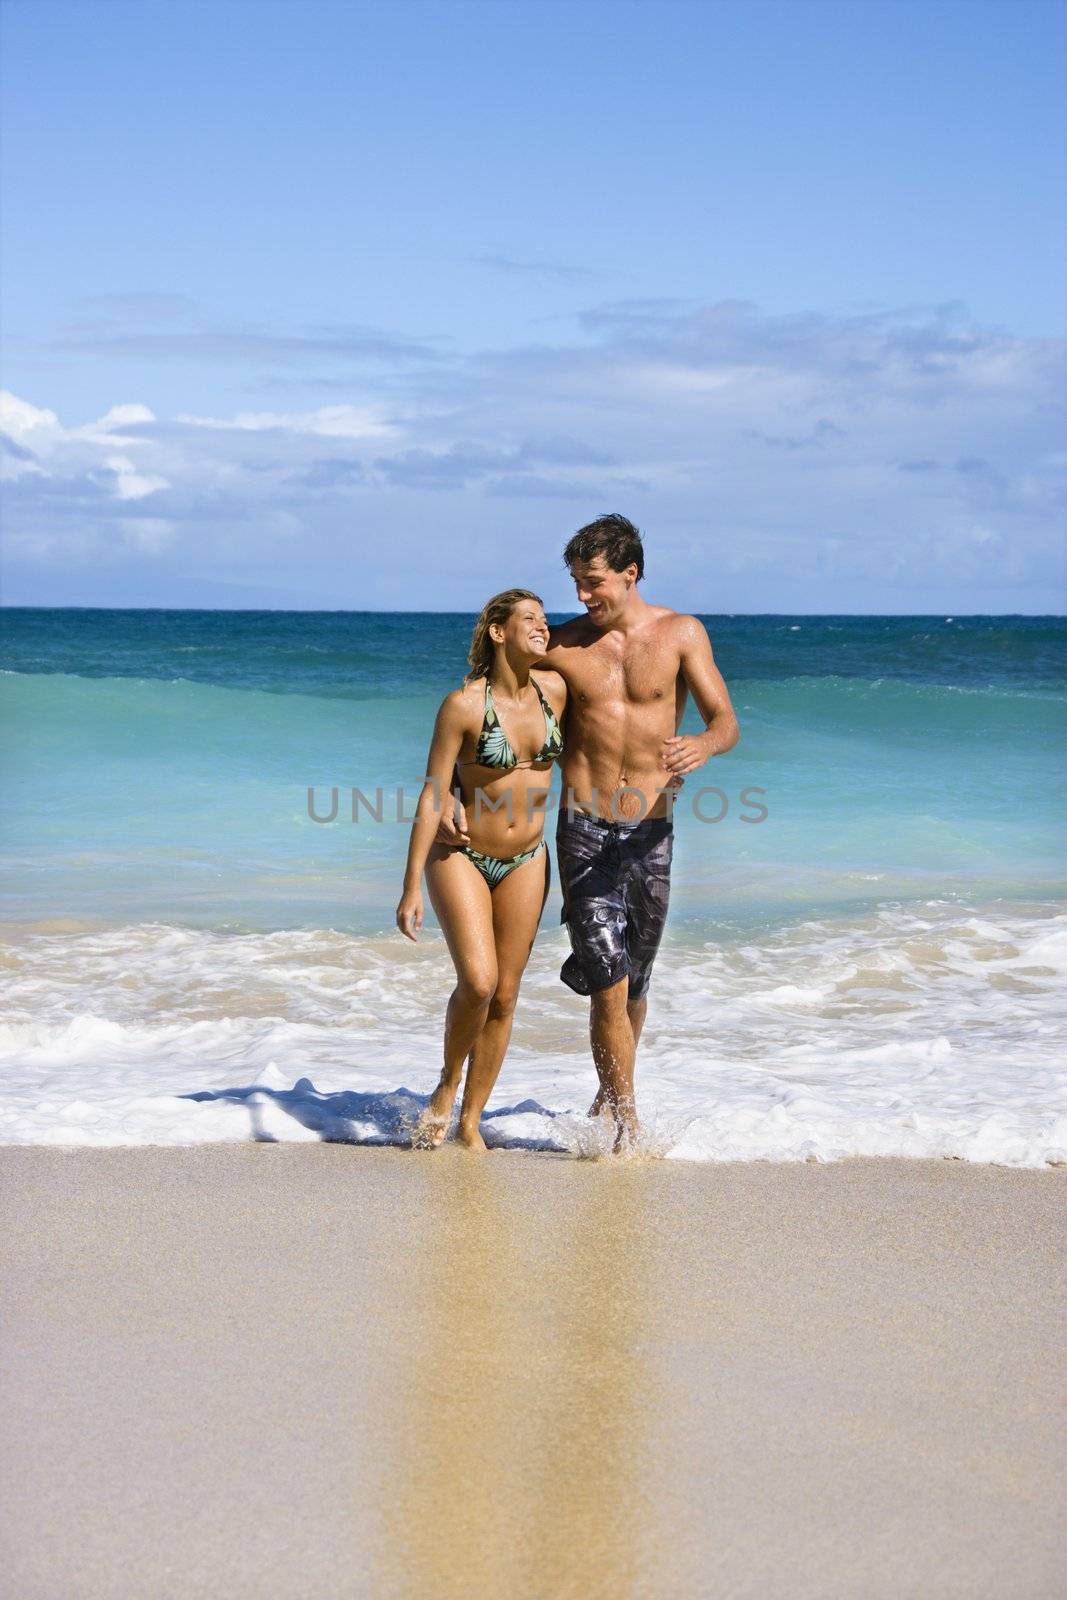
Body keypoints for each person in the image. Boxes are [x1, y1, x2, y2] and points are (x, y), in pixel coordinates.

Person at [437, 515, 740, 1151]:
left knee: (635, 985)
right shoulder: (565, 646)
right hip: (583, 832)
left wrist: (702, 748)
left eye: (594, 582)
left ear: (631, 573)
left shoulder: (682, 634)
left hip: (651, 834)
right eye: (576, 583)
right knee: (607, 983)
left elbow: (725, 722)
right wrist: (456, 791)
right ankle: (628, 1129)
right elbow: (498, 699)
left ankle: (608, 1092)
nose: (582, 597)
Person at [396, 589, 566, 1150]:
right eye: (529, 620)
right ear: (497, 632)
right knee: (479, 982)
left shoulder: (557, 691)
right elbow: (430, 790)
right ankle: (447, 1086)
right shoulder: (464, 705)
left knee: (508, 994)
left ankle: (471, 1120)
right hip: (462, 853)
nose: (543, 627)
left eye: (545, 619)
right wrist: (411, 885)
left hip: (529, 857)